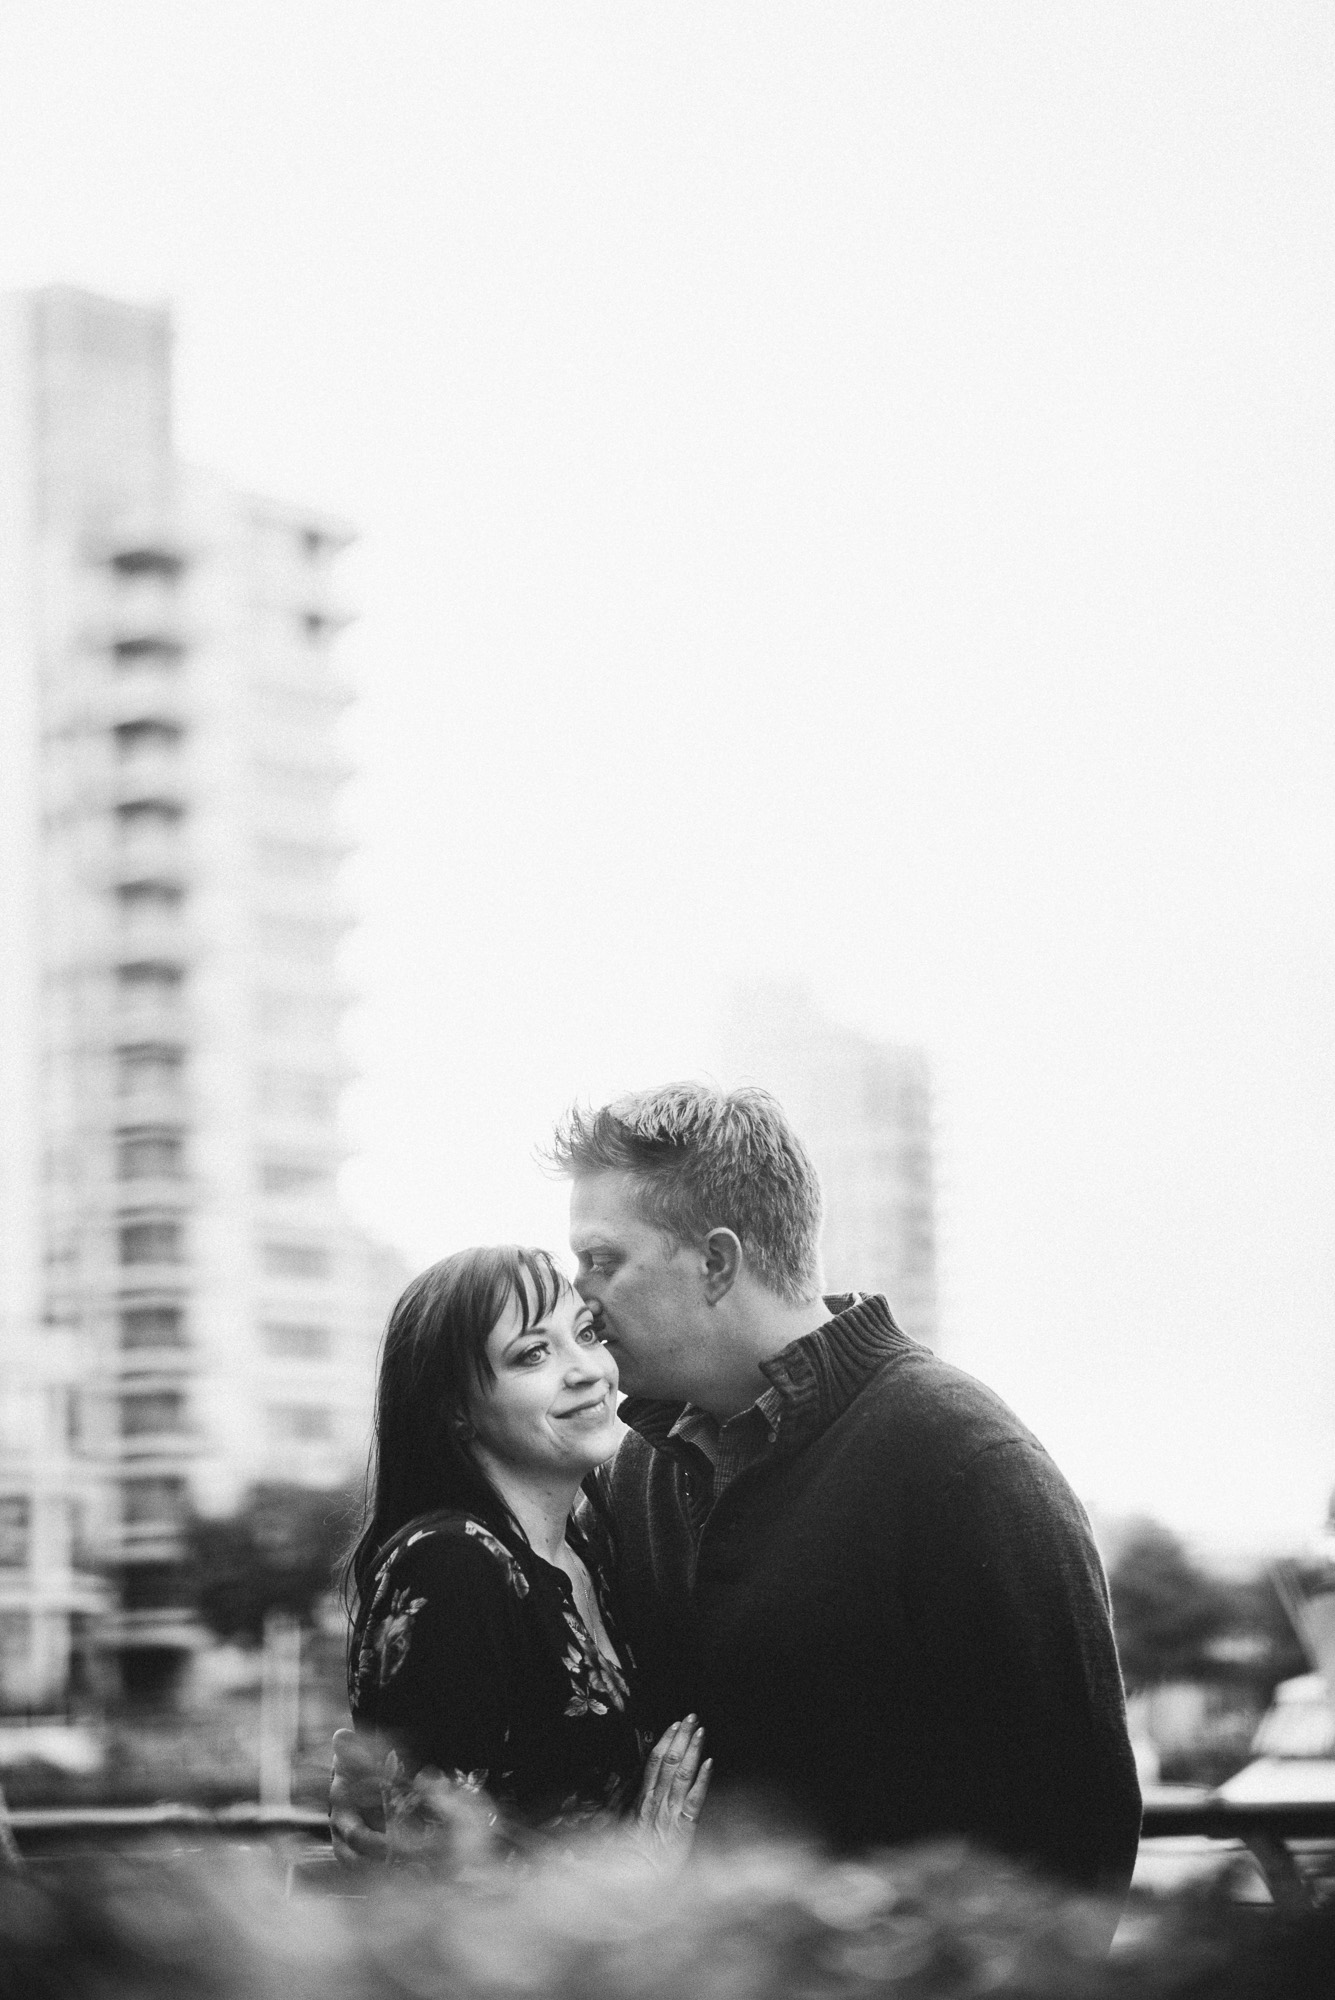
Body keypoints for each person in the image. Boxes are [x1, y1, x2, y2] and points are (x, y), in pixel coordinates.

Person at [336, 1086, 1140, 1898]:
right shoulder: (633, 1475)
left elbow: (1079, 1836)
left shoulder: (967, 1463)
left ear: (716, 1263)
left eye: (602, 1261)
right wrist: (412, 1835)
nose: (583, 1295)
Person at [343, 1242, 710, 1853]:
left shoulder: (584, 1551)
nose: (588, 1370)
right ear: (456, 1411)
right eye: (533, 1353)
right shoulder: (451, 1565)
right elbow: (431, 1877)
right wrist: (643, 1868)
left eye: (587, 1334)